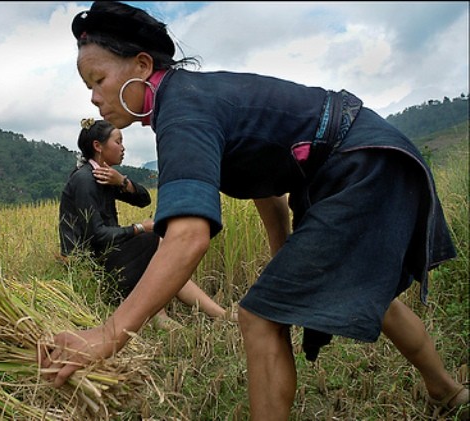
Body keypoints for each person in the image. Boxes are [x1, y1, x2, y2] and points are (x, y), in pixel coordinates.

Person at [40, 2, 469, 419]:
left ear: (140, 64)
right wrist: (285, 254)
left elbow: (188, 235)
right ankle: (445, 391)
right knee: (364, 289)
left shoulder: (183, 111)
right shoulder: (193, 99)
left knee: (259, 314)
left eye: (98, 79)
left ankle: (444, 389)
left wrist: (108, 335)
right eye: (88, 88)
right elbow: (267, 190)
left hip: (363, 163)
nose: (94, 98)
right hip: (352, 160)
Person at [58, 117, 230, 328]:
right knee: (155, 242)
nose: (123, 148)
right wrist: (140, 228)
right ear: (98, 146)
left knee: (162, 253)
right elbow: (97, 237)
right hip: (91, 267)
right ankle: (163, 314)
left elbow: (143, 200)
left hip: (106, 258)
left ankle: (216, 314)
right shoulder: (84, 180)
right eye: (118, 141)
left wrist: (122, 182)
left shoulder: (103, 176)